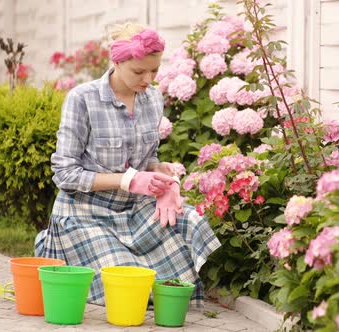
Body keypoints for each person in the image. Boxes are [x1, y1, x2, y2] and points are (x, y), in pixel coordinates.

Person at [34, 22, 221, 308]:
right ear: (117, 61)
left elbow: (149, 158)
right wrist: (128, 180)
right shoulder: (82, 99)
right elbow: (65, 174)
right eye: (138, 71)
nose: (148, 79)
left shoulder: (153, 99)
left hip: (133, 213)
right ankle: (52, 246)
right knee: (128, 283)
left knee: (190, 222)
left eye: (154, 70)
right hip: (85, 215)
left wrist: (164, 177)